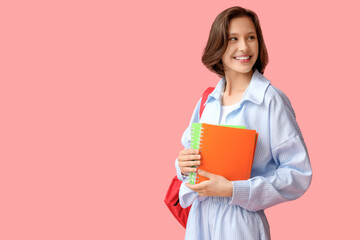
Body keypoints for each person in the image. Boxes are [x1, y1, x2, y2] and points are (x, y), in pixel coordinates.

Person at [175, 6, 312, 240]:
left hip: (240, 224)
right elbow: (189, 161)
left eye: (251, 37)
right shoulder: (207, 100)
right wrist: (182, 164)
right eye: (233, 39)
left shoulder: (271, 100)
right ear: (218, 46)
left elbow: (298, 174)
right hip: (199, 221)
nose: (244, 47)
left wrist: (234, 190)